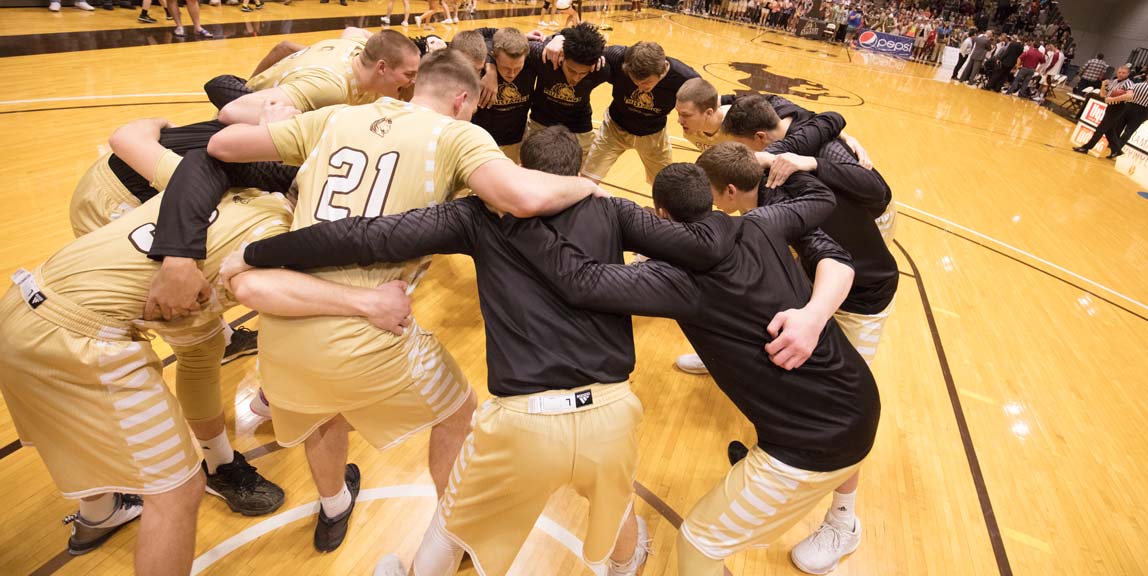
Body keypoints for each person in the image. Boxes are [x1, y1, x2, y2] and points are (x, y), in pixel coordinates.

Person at [195, 50, 603, 553]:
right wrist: (583, 184)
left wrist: (279, 118)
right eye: (473, 108)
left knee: (323, 413)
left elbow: (223, 141)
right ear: (460, 99)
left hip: (284, 320)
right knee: (459, 413)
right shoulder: (457, 134)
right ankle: (450, 543)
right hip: (368, 329)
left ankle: (333, 507)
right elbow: (518, 196)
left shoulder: (339, 116)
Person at [223, 126, 653, 576]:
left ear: (520, 171)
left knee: (450, 529)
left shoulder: (479, 214)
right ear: (577, 172)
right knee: (618, 503)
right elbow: (689, 252)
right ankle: (626, 566)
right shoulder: (614, 210)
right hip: (612, 409)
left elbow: (365, 236)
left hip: (524, 420)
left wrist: (256, 252)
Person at [499, 163, 879, 576]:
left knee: (698, 543)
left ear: (661, 213)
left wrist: (512, 218)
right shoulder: (761, 222)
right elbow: (820, 200)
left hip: (816, 444)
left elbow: (581, 282)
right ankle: (841, 516)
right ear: (712, 198)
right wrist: (783, 163)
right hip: (856, 395)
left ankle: (841, 522)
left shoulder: (679, 281)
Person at [0, 134, 291, 574]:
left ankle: (98, 514)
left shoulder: (208, 182)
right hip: (79, 337)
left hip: (21, 305)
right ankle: (214, 466)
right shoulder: (284, 240)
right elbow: (250, 298)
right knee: (177, 492)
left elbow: (133, 138)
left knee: (81, 426)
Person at [696, 140, 897, 573]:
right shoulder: (763, 194)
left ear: (730, 190)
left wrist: (813, 316)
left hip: (861, 295)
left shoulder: (784, 202)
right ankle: (776, 463)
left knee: (839, 410)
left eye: (711, 192)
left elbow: (839, 264)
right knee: (784, 370)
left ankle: (843, 524)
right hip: (818, 289)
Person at [215, 28, 420, 124]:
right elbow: (232, 110)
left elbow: (353, 30)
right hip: (238, 122)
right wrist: (303, 124)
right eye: (409, 74)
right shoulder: (330, 87)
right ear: (382, 68)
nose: (412, 82)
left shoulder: (356, 46)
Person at [568, 41, 699, 185]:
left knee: (665, 186)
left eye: (646, 82)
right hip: (614, 128)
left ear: (661, 72)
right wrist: (557, 39)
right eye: (636, 82)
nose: (640, 87)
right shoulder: (617, 56)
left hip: (653, 135)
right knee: (587, 181)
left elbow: (708, 99)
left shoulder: (686, 78)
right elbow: (582, 46)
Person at [526, 23, 615, 153]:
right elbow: (501, 44)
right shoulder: (543, 56)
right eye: (571, 70)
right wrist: (491, 69)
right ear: (562, 55)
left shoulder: (600, 70)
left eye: (583, 73)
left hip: (578, 124)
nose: (576, 78)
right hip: (540, 120)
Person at [474, 28, 541, 161]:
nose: (511, 74)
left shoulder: (532, 59)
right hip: (481, 142)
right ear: (493, 55)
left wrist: (558, 38)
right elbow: (475, 35)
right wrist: (491, 68)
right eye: (505, 68)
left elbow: (557, 44)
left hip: (515, 141)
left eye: (517, 68)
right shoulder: (482, 65)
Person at [1074, 64, 1134, 158]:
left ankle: (1086, 148)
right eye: (1119, 72)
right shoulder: (1114, 81)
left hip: (1119, 107)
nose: (1120, 74)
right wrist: (1103, 85)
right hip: (1110, 107)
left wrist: (1114, 99)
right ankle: (1116, 150)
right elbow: (1103, 95)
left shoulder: (1129, 83)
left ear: (1128, 74)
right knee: (1109, 130)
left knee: (1101, 128)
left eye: (1123, 73)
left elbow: (1130, 96)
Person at [1114, 72, 1148, 153]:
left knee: (1119, 126)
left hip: (1129, 106)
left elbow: (1127, 93)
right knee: (1129, 130)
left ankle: (1112, 143)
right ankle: (1118, 147)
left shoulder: (1136, 85)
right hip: (1141, 110)